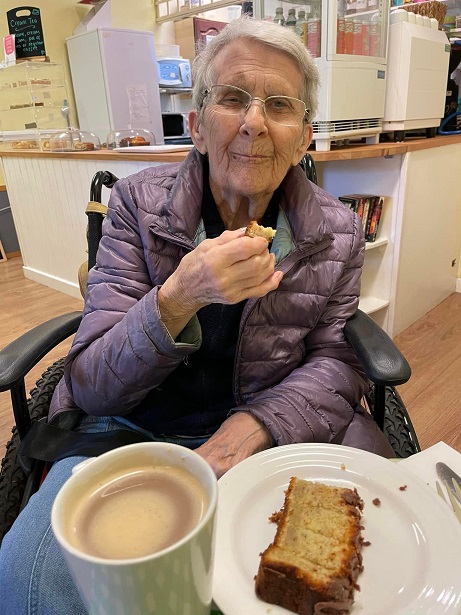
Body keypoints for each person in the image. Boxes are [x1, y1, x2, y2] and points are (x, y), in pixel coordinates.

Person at [0, 17, 393, 614]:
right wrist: (178, 297)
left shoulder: (335, 232)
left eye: (279, 106)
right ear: (198, 127)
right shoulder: (136, 206)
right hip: (130, 429)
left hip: (271, 430)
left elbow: (337, 360)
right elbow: (93, 384)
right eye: (232, 98)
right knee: (28, 586)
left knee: (359, 563)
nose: (254, 122)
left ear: (304, 138)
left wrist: (258, 424)